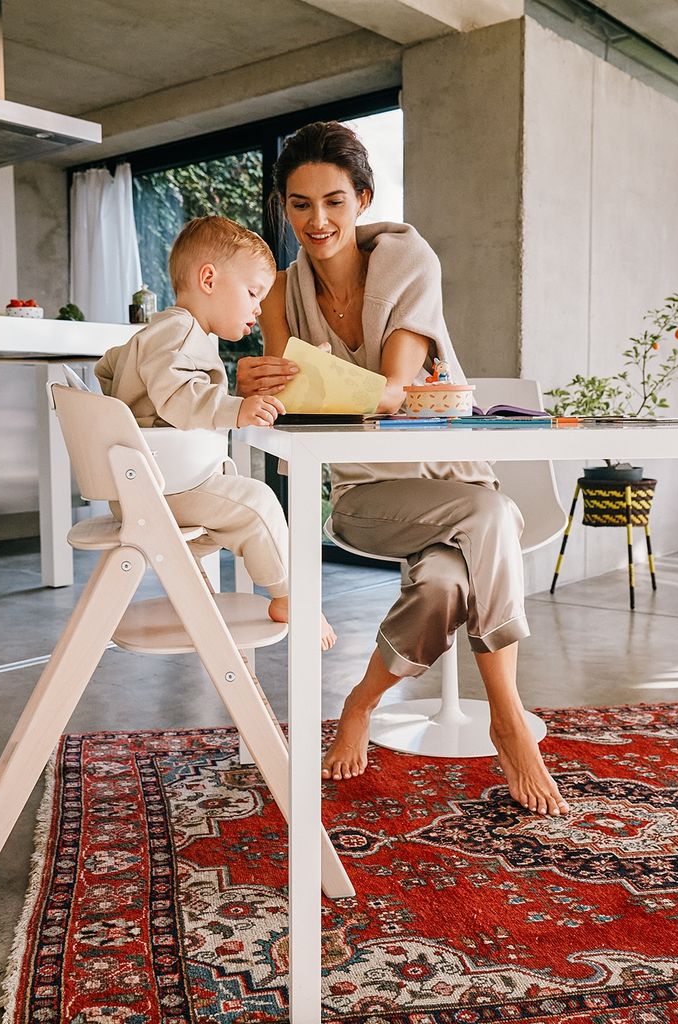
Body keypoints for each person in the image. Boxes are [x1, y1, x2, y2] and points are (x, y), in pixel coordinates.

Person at [242, 122, 568, 815]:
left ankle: (360, 703)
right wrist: (258, 382)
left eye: (334, 200)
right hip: (364, 496)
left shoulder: (407, 258)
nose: (318, 220)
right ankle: (509, 719)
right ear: (283, 207)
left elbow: (394, 389)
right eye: (300, 204)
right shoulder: (278, 292)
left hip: (457, 481)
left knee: (448, 580)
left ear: (362, 199)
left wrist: (314, 385)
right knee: (490, 515)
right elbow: (286, 401)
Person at [96, 215, 336, 649]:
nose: (258, 308)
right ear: (208, 279)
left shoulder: (159, 333)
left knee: (230, 510)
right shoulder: (178, 331)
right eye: (252, 293)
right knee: (257, 503)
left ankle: (187, 584)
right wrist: (236, 408)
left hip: (150, 484)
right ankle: (289, 597)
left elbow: (108, 367)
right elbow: (177, 397)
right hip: (164, 486)